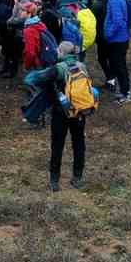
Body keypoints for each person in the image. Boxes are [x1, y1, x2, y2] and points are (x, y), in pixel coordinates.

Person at [24, 41, 88, 191]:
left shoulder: (57, 69)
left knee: (57, 145)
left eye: (58, 50)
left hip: (61, 112)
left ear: (62, 53)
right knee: (79, 144)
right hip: (79, 111)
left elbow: (31, 79)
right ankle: (77, 178)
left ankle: (54, 181)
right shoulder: (82, 66)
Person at [100, 0, 131, 104]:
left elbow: (118, 22)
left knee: (120, 67)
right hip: (119, 39)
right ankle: (123, 90)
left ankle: (125, 94)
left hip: (117, 40)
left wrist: (108, 33)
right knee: (119, 66)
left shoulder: (114, 0)